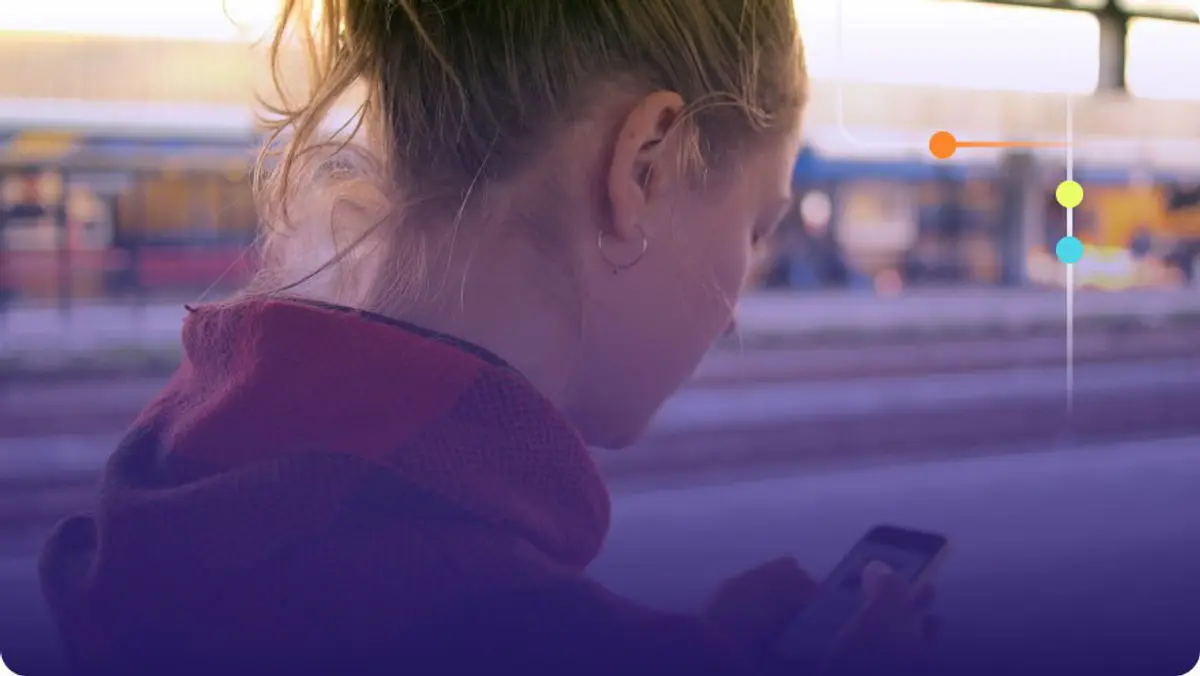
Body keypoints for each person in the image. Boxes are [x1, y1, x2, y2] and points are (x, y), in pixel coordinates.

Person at [39, 1, 936, 674]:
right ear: (645, 163)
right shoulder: (491, 623)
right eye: (755, 226)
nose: (737, 304)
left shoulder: (186, 489)